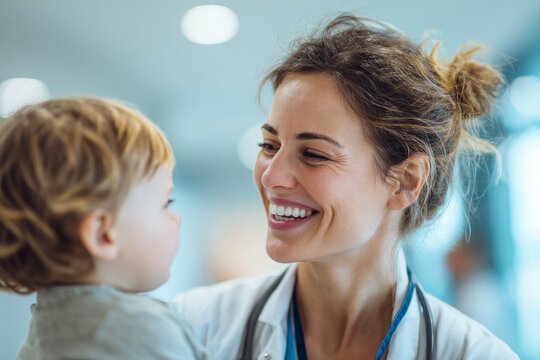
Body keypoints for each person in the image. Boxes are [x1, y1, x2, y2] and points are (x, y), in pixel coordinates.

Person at [175, 14, 518, 359]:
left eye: (312, 154)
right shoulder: (192, 329)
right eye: (269, 146)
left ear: (405, 182)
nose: (270, 176)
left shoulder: (474, 353)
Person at [0, 97, 207, 359]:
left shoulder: (40, 336)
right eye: (165, 203)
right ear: (102, 234)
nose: (176, 218)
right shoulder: (141, 330)